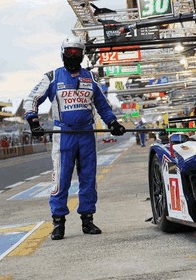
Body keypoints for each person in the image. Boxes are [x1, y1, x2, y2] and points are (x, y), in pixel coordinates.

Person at [23, 36, 126, 240]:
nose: (72, 55)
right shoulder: (52, 76)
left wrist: (113, 123)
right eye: (69, 51)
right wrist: (33, 120)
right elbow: (32, 98)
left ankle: (87, 220)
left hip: (87, 135)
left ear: (82, 54)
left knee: (88, 178)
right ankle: (58, 223)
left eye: (76, 52)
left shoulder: (90, 78)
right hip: (64, 135)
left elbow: (102, 105)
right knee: (61, 179)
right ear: (62, 52)